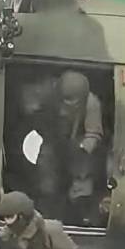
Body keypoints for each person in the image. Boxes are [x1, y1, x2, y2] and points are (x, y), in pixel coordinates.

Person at [34, 70, 104, 224]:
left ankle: (82, 216)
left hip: (78, 144)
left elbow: (94, 134)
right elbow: (37, 116)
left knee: (83, 175)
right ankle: (45, 214)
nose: (65, 107)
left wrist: (81, 150)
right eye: (64, 100)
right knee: (46, 175)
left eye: (72, 101)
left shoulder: (92, 103)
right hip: (53, 140)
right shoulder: (49, 97)